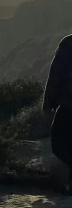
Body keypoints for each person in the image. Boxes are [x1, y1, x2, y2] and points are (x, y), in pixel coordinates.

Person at [43, 34, 72, 190]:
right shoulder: (68, 44)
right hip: (67, 105)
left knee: (59, 145)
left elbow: (54, 76)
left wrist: (47, 104)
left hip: (68, 107)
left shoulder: (68, 44)